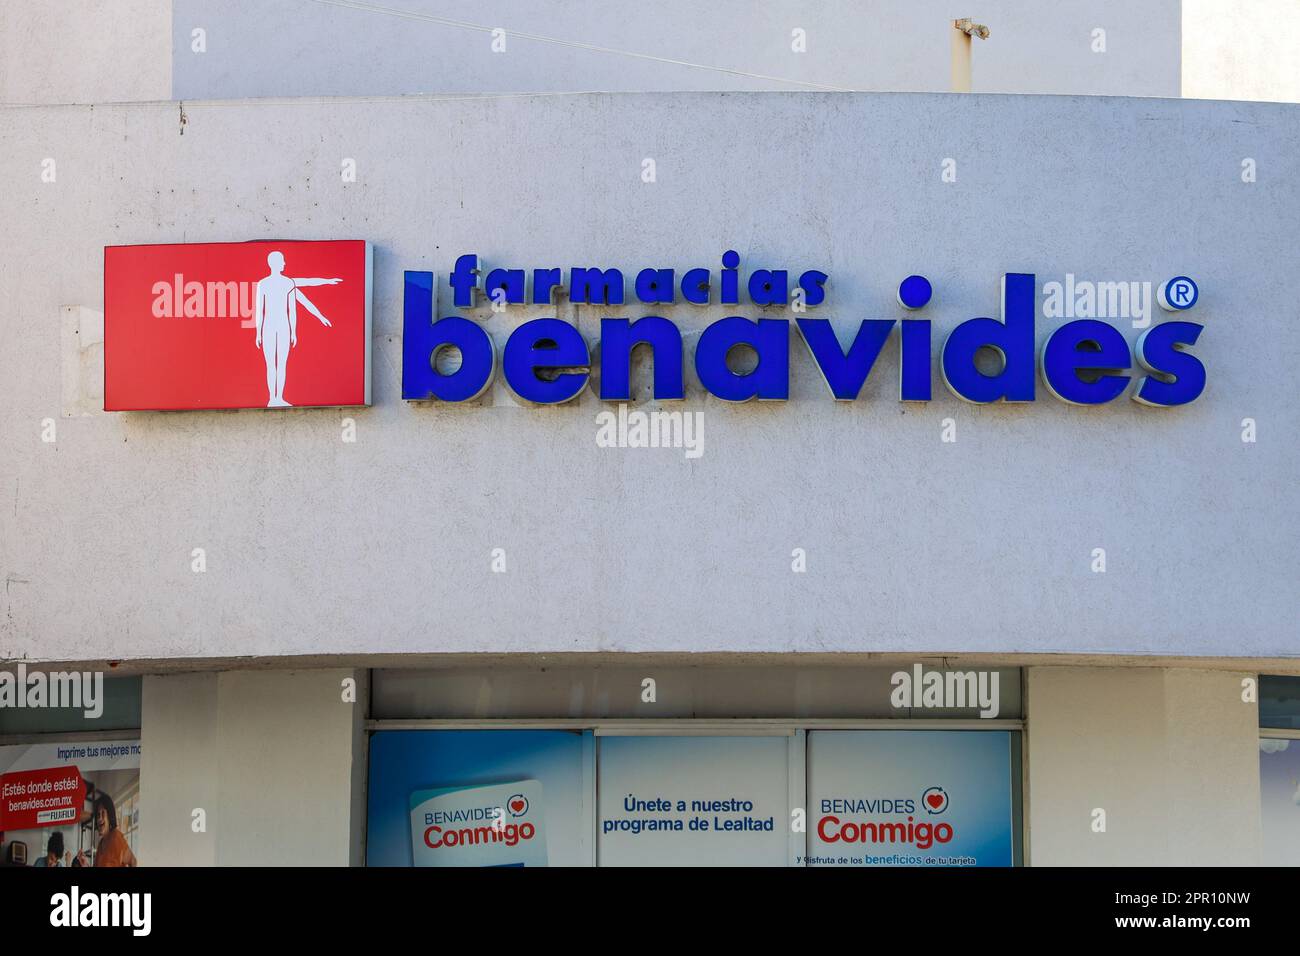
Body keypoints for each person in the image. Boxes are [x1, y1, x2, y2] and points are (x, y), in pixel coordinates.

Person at [253, 250, 340, 407]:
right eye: (283, 261)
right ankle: (272, 398)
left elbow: (295, 307)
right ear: (275, 263)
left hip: (280, 326)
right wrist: (258, 333)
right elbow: (260, 310)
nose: (285, 264)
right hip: (272, 326)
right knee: (273, 364)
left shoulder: (287, 283)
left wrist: (294, 331)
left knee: (279, 363)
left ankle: (278, 398)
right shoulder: (264, 284)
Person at [75, 794, 136, 868]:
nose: (99, 818)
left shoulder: (116, 837)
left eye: (103, 813)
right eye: (98, 815)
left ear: (109, 816)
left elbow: (133, 861)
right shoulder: (101, 844)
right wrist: (85, 865)